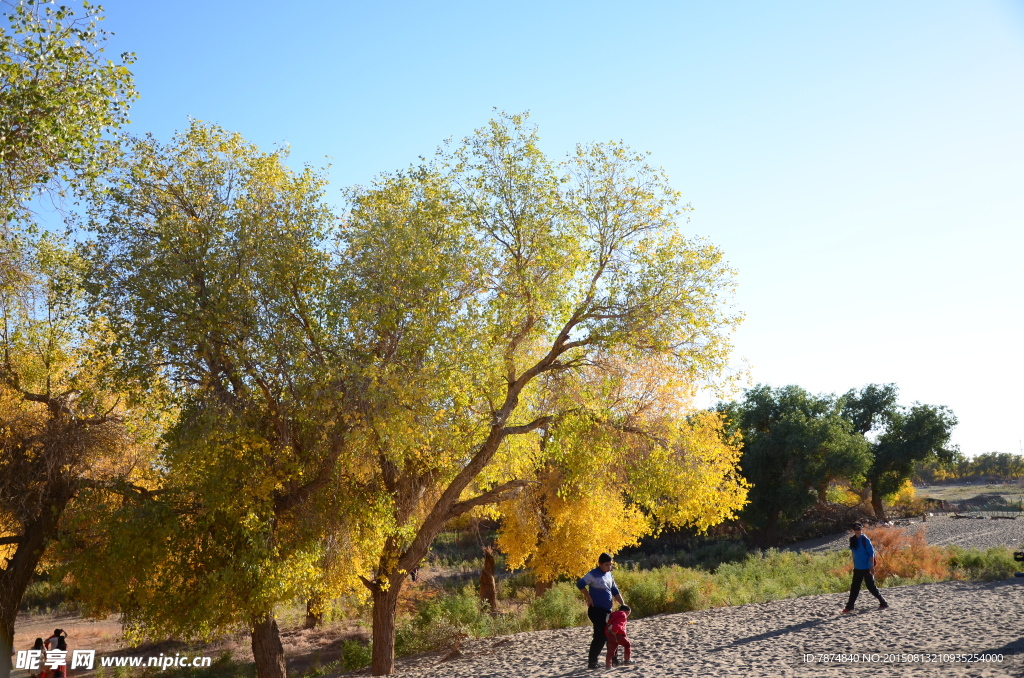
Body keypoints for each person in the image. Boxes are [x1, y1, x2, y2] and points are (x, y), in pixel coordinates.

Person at [577, 552, 626, 670]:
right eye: (606, 565)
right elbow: (580, 584)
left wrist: (623, 604)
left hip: (607, 611)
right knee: (609, 633)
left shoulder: (609, 575)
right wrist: (589, 597)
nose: (609, 567)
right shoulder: (593, 574)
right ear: (600, 564)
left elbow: (615, 590)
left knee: (599, 637)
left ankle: (592, 663)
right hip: (596, 610)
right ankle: (614, 660)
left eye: (610, 565)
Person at [842, 523, 889, 614]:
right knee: (854, 588)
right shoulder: (852, 540)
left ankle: (883, 602)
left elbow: (871, 554)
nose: (857, 531)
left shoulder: (865, 540)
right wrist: (854, 564)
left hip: (866, 568)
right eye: (855, 529)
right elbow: (853, 553)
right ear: (853, 530)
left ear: (861, 529)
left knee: (871, 587)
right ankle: (850, 606)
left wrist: (871, 567)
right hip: (857, 568)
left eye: (859, 529)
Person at [604, 604, 635, 668]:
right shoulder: (622, 614)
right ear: (626, 611)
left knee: (610, 651)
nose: (628, 615)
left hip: (610, 635)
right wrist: (614, 631)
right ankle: (627, 660)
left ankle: (608, 666)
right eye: (628, 613)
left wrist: (609, 634)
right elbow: (618, 624)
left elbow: (608, 624)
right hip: (617, 634)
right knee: (627, 645)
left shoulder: (613, 614)